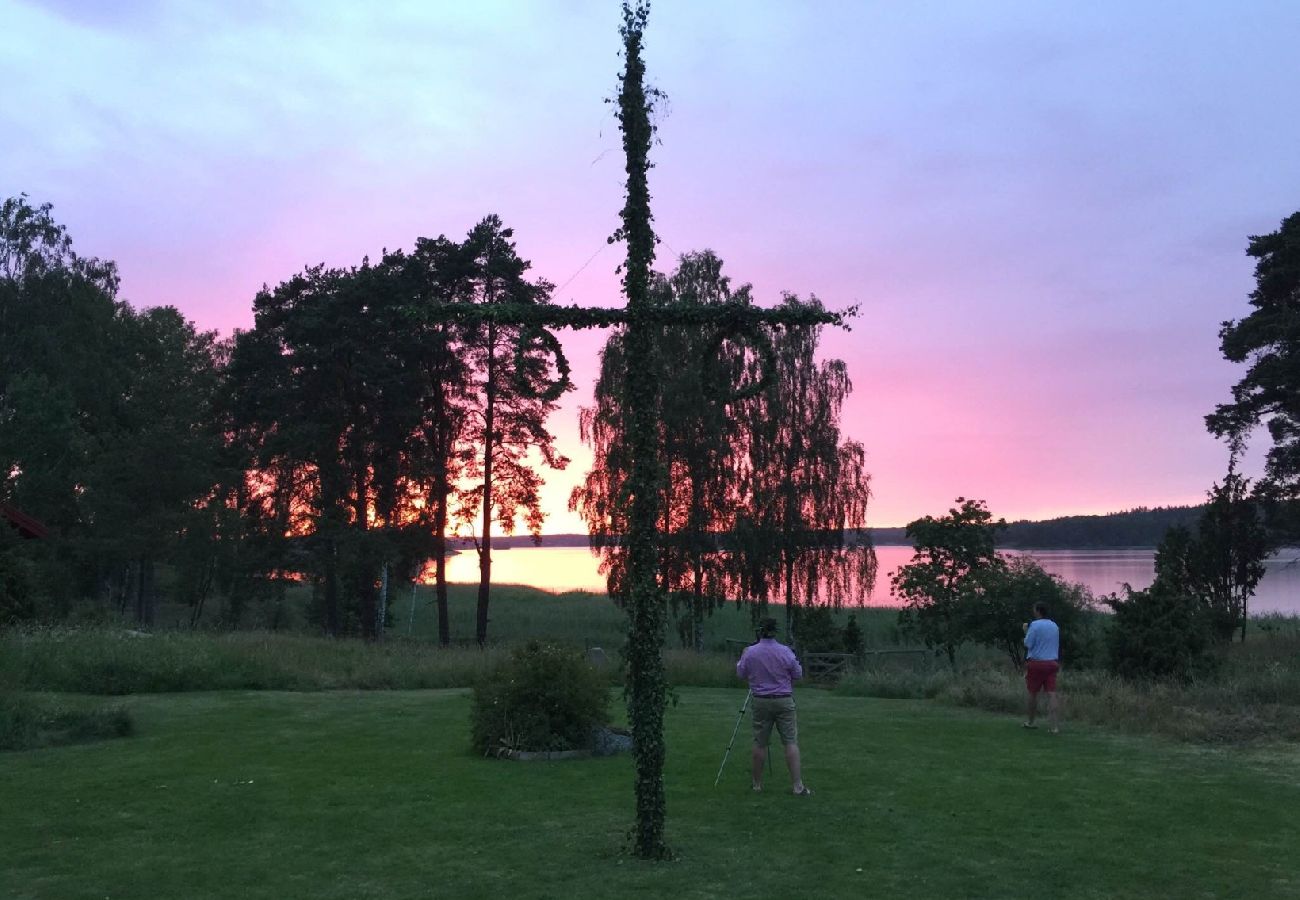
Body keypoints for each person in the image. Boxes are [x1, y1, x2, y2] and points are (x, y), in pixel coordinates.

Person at [736, 617, 811, 795]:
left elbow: (740, 673)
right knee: (790, 741)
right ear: (775, 632)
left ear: (759, 631)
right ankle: (797, 786)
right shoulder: (785, 651)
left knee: (760, 742)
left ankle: (756, 784)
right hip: (783, 699)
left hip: (761, 700)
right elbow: (798, 674)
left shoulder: (751, 652)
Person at [1022, 601, 1061, 733]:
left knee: (1033, 693)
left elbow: (1028, 644)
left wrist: (1026, 631)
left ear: (1038, 611)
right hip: (1052, 663)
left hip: (1037, 663)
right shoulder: (1054, 626)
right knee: (1052, 693)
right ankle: (1054, 726)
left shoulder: (1034, 625)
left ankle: (1030, 721)